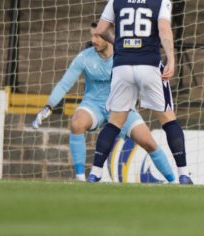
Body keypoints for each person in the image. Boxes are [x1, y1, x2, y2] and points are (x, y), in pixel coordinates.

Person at [88, 0, 192, 184]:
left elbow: (102, 29)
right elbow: (164, 28)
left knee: (115, 121)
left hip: (123, 65)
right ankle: (183, 174)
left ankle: (95, 172)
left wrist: (118, 42)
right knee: (167, 119)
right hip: (149, 64)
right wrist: (172, 59)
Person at [32, 23, 175, 183]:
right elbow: (65, 84)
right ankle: (80, 179)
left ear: (109, 37)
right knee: (77, 123)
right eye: (92, 35)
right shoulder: (84, 57)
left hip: (121, 107)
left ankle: (174, 180)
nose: (93, 40)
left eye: (97, 36)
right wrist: (49, 106)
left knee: (148, 142)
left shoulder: (125, 56)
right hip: (93, 105)